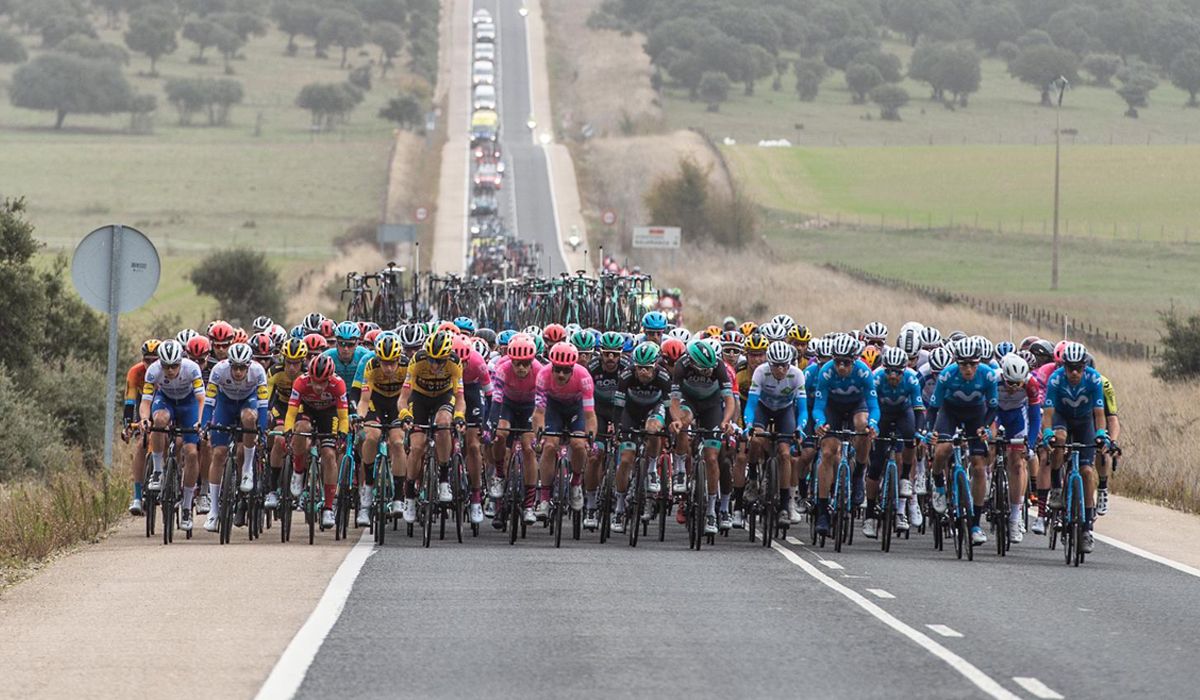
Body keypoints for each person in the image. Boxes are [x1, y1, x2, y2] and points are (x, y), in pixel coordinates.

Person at [926, 337, 999, 547]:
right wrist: (930, 432)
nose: (968, 369)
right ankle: (938, 484)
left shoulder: (988, 375)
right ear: (957, 363)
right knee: (942, 450)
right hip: (950, 412)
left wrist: (985, 427)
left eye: (972, 364)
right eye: (964, 364)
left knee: (978, 465)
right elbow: (933, 408)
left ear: (978, 363)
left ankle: (975, 525)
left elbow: (993, 407)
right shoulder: (947, 375)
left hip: (976, 414)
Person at [1041, 342, 1107, 554]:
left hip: (1085, 421)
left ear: (1085, 366)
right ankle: (1057, 488)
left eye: (1079, 367)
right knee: (1059, 439)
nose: (1075, 372)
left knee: (1087, 472)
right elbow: (1048, 413)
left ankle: (1087, 528)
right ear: (1064, 366)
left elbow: (1099, 414)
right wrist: (1048, 433)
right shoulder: (1056, 379)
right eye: (1071, 368)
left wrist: (1100, 434)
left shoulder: (1093, 379)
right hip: (1063, 418)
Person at [811, 334, 879, 536]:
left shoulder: (864, 373)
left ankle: (858, 475)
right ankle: (823, 511)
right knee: (828, 451)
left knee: (863, 425)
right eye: (837, 361)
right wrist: (820, 423)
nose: (841, 367)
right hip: (833, 408)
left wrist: (873, 425)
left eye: (846, 363)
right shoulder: (826, 372)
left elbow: (874, 406)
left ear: (854, 361)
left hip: (857, 407)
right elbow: (818, 407)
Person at [397, 331, 467, 523]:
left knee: (444, 423)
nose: (435, 365)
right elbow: (403, 398)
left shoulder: (454, 362)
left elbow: (460, 398)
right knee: (417, 446)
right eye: (432, 360)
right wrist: (404, 414)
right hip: (419, 399)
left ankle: (444, 479)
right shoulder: (417, 361)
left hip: (443, 397)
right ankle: (409, 496)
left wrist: (459, 417)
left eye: (440, 361)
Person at [200, 342, 269, 533]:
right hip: (225, 404)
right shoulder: (218, 371)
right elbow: (209, 401)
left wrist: (262, 430)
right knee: (219, 454)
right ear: (229, 364)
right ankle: (213, 511)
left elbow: (263, 405)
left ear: (249, 365)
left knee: (249, 418)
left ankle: (247, 469)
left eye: (242, 368)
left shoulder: (258, 372)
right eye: (235, 367)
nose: (238, 372)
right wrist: (206, 424)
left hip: (248, 401)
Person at [140, 340, 206, 533]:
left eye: (174, 366)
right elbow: (146, 402)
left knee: (191, 453)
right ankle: (158, 471)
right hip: (166, 401)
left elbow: (201, 400)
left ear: (181, 361)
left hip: (189, 405)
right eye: (165, 366)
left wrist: (200, 422)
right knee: (158, 421)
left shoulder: (192, 369)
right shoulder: (153, 370)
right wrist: (145, 419)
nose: (169, 371)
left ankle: (186, 506)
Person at [744, 341, 807, 528]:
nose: (780, 370)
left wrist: (800, 428)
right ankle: (754, 479)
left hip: (785, 411)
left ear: (790, 363)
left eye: (784, 365)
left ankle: (786, 503)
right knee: (755, 439)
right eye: (776, 366)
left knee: (785, 453)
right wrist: (748, 424)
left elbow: (802, 409)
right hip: (763, 408)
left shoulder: (797, 375)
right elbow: (751, 404)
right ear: (769, 364)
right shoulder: (760, 372)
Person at [610, 342, 672, 533]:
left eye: (647, 368)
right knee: (626, 459)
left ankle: (652, 468)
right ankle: (619, 507)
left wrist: (669, 431)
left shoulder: (663, 376)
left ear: (655, 365)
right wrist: (617, 428)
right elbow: (618, 408)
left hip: (654, 408)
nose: (643, 372)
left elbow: (669, 408)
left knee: (653, 429)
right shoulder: (626, 376)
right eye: (640, 368)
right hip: (631, 410)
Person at [283, 354, 350, 531]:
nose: (319, 387)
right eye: (315, 382)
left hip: (329, 414)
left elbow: (343, 417)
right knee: (300, 427)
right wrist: (288, 430)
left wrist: (342, 434)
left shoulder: (338, 384)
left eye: (323, 382)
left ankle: (328, 507)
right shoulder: (301, 382)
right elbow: (290, 414)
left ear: (330, 378)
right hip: (307, 411)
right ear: (309, 376)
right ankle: (298, 471)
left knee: (329, 455)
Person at [532, 342, 597, 520]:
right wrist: (538, 436)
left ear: (573, 368)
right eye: (557, 369)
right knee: (549, 445)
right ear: (551, 365)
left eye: (566, 370)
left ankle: (576, 482)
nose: (561, 374)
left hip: (576, 409)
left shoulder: (584, 376)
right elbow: (539, 413)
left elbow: (590, 416)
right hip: (553, 409)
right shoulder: (543, 375)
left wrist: (590, 440)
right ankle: (544, 498)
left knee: (578, 444)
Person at [123, 339, 159, 516]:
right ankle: (137, 497)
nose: (150, 364)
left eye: (155, 360)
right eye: (147, 360)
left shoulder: (165, 371)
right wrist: (128, 426)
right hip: (142, 408)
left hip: (161, 407)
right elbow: (129, 402)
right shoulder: (135, 372)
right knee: (140, 445)